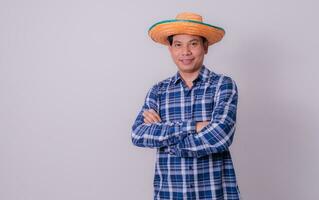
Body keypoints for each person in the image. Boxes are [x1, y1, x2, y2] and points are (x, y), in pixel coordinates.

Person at [131, 12, 241, 200]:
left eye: (193, 43)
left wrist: (169, 143)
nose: (185, 52)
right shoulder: (158, 91)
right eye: (178, 45)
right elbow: (138, 134)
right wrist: (194, 126)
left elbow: (220, 135)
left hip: (215, 194)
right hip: (170, 194)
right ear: (170, 49)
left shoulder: (223, 85)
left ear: (205, 47)